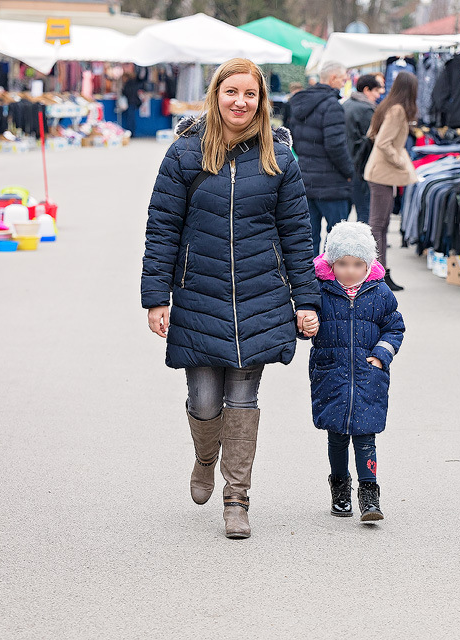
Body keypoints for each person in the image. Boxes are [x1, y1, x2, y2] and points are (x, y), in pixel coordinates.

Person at [141, 58, 321, 540]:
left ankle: (236, 498)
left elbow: (298, 236)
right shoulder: (184, 154)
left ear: (262, 101)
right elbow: (162, 228)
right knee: (203, 401)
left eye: (251, 94)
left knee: (243, 398)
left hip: (261, 295)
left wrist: (307, 300)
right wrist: (157, 296)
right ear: (216, 95)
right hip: (200, 293)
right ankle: (205, 456)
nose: (240, 102)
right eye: (231, 92)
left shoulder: (280, 159)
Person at [308, 222, 405, 522]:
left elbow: (395, 327)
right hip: (331, 376)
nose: (349, 271)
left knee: (365, 438)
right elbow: (302, 321)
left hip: (368, 378)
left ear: (368, 264)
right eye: (342, 264)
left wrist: (381, 356)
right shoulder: (320, 292)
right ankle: (340, 489)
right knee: (336, 437)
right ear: (331, 262)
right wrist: (305, 325)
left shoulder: (380, 294)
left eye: (357, 264)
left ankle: (369, 494)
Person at [289, 61, 355, 254]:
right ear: (333, 78)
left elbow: (293, 138)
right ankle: (329, 281)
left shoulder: (301, 102)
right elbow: (335, 145)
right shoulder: (332, 105)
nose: (344, 83)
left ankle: (310, 281)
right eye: (343, 79)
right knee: (337, 240)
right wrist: (349, 171)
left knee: (309, 237)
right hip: (331, 183)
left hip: (306, 178)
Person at [363, 70, 418, 293]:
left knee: (380, 224)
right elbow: (383, 142)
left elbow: (373, 134)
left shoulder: (388, 105)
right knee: (378, 224)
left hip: (381, 173)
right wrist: (401, 162)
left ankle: (380, 272)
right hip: (382, 174)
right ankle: (376, 274)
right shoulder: (396, 110)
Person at [343, 74, 386, 224]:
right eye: (376, 91)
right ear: (366, 90)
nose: (377, 95)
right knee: (364, 214)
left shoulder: (346, 105)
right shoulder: (367, 109)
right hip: (361, 166)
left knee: (342, 218)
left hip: (345, 165)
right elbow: (373, 140)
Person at [120, 71, 143, 136]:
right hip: (134, 102)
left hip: (130, 102)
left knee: (130, 118)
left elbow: (126, 92)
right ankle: (132, 132)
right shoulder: (134, 83)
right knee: (132, 118)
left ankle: (131, 132)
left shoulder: (128, 84)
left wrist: (122, 90)